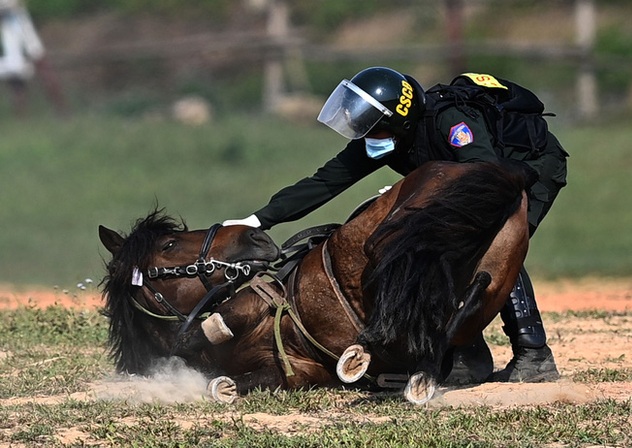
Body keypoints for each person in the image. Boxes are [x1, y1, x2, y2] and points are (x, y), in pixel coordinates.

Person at [223, 66, 568, 383]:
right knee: (440, 256)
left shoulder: (451, 120)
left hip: (526, 170)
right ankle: (466, 352)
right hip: (464, 181)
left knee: (495, 246)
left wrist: (424, 191)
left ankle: (533, 354)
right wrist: (256, 220)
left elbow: (484, 171)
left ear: (397, 118)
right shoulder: (385, 139)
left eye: (369, 121)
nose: (363, 130)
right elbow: (325, 182)